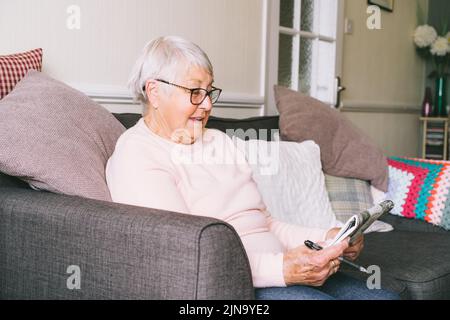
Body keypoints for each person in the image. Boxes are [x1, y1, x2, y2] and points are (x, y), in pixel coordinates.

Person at [106, 36, 399, 300]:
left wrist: (328, 237)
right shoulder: (138, 155)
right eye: (195, 92)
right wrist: (283, 270)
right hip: (231, 286)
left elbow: (265, 223)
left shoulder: (219, 141)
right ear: (155, 92)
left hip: (276, 269)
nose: (207, 105)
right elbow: (188, 254)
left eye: (209, 92)